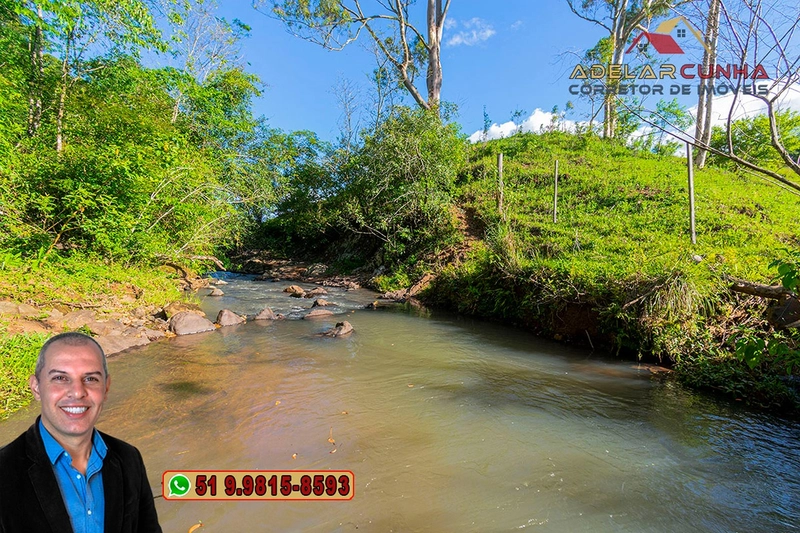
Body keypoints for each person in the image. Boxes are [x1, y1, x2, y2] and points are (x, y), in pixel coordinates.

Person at [0, 332, 162, 533]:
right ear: (36, 387)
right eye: (60, 378)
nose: (77, 392)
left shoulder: (129, 459)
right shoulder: (4, 470)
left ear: (106, 387)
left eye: (91, 378)